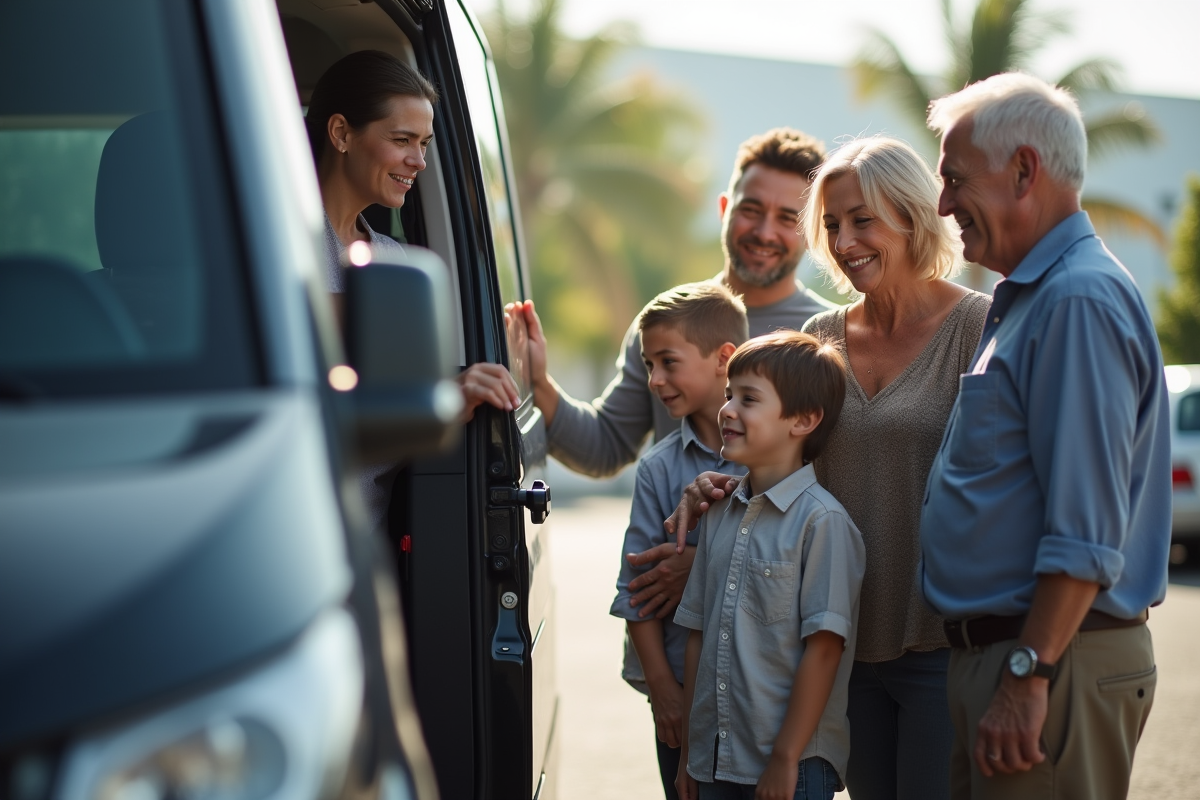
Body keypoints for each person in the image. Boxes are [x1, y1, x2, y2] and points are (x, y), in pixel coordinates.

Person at [920, 73, 1170, 799]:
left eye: (955, 180)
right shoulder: (1038, 296)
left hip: (1047, 665)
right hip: (1022, 662)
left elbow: (1085, 528)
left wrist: (1029, 673)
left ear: (1024, 170)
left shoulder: (1076, 300)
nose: (943, 206)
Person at [517, 127, 835, 616]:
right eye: (752, 209)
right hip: (669, 625)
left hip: (773, 622)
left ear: (810, 230)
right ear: (726, 208)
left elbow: (829, 493)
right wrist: (538, 382)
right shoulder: (667, 323)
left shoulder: (826, 337)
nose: (765, 231)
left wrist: (712, 556)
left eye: (787, 217)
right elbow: (605, 446)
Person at [797, 137, 991, 800]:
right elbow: (785, 469)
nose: (845, 242)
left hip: (942, 644)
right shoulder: (818, 338)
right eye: (832, 225)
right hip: (839, 645)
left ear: (911, 215)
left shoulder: (978, 327)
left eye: (862, 219)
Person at [306, 50, 519, 530]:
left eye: (423, 143)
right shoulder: (273, 245)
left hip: (364, 542)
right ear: (341, 133)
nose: (419, 161)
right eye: (402, 139)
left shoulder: (396, 260)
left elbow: (397, 412)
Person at [674, 331, 865, 800]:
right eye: (728, 395)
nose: (727, 410)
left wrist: (784, 759)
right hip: (713, 761)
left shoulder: (823, 524)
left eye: (749, 398)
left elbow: (823, 651)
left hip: (790, 768)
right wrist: (689, 757)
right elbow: (699, 632)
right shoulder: (718, 512)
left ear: (803, 420)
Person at [609, 283, 751, 800]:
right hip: (681, 700)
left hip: (761, 694)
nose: (654, 380)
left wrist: (703, 558)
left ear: (723, 358)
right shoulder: (658, 467)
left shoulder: (778, 454)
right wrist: (664, 693)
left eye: (667, 362)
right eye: (648, 365)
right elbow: (636, 589)